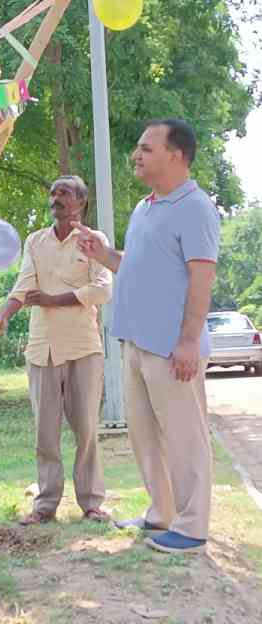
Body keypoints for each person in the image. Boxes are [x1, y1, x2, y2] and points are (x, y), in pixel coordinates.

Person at [77, 118, 220, 554]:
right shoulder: (145, 208)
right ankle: (163, 515)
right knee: (144, 436)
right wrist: (103, 255)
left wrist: (189, 342)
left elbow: (201, 278)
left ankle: (193, 528)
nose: (136, 155)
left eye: (146, 148)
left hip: (173, 348)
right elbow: (136, 265)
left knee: (184, 438)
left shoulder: (196, 207)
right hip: (136, 344)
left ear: (176, 155)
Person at [0, 176, 112, 526]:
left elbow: (102, 289)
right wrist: (3, 315)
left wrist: (54, 300)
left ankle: (91, 503)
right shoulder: (36, 241)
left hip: (82, 348)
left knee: (86, 428)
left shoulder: (93, 241)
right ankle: (45, 505)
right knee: (45, 431)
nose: (55, 197)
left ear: (81, 202)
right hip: (42, 349)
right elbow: (25, 285)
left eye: (64, 193)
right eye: (53, 192)